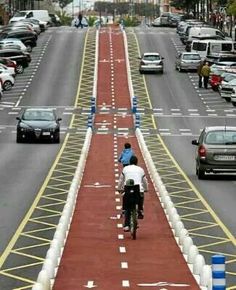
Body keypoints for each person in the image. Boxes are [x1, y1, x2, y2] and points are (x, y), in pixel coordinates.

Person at [117, 155, 148, 232]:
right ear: (137, 162)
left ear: (129, 162)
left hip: (127, 189)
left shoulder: (125, 169)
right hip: (138, 190)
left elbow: (121, 180)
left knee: (127, 207)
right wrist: (146, 189)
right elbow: (145, 181)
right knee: (141, 195)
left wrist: (119, 188)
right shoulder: (140, 169)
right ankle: (140, 210)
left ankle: (126, 224)